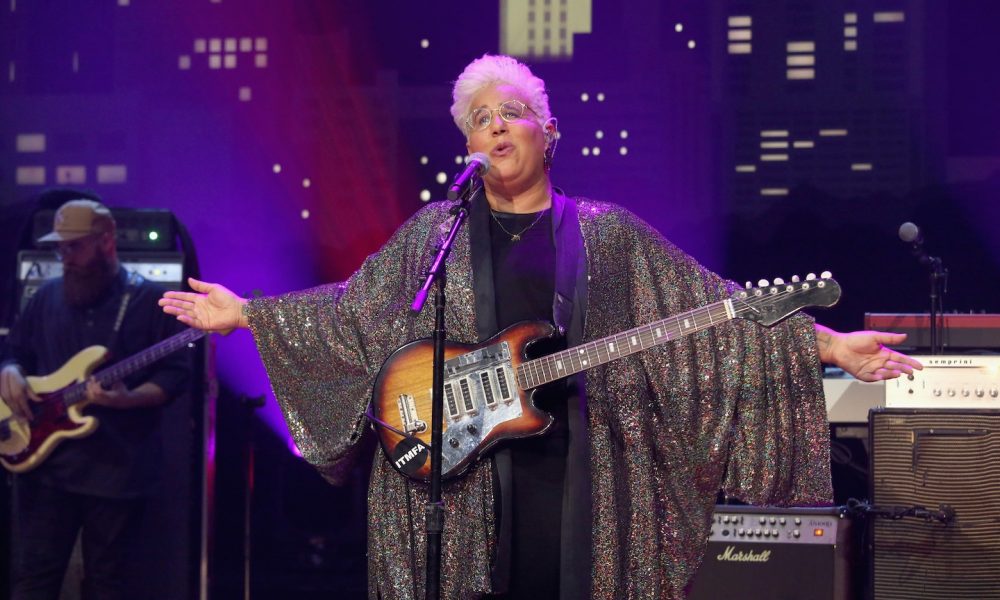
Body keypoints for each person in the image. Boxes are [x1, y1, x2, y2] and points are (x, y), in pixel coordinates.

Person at [159, 54, 921, 600]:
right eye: (478, 120)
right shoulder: (437, 234)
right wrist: (251, 315)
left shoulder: (610, 236)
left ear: (548, 129)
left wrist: (827, 346)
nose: (495, 128)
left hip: (584, 472)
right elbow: (354, 314)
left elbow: (709, 316)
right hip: (460, 481)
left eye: (510, 113)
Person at [1, 198, 191, 600]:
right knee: (33, 579)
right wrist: (10, 371)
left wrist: (127, 399)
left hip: (119, 471)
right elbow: (15, 350)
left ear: (107, 241)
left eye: (75, 246)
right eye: (60, 248)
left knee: (109, 585)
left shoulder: (149, 302)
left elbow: (175, 377)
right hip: (45, 467)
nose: (64, 257)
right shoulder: (45, 297)